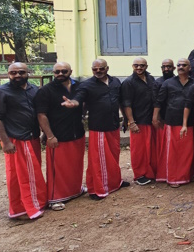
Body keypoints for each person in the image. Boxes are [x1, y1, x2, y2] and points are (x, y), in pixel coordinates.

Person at [62, 59, 129, 200]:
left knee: (114, 156)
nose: (98, 71)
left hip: (114, 125)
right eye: (95, 69)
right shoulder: (87, 85)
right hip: (99, 127)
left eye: (101, 68)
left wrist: (126, 119)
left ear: (107, 68)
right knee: (99, 160)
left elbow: (120, 101)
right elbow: (79, 98)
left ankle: (115, 182)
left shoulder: (115, 82)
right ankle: (98, 188)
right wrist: (73, 103)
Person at [0, 62, 47, 219]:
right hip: (17, 139)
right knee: (23, 175)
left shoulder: (34, 89)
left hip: (32, 137)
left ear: (28, 73)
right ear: (8, 74)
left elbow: (39, 113)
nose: (17, 75)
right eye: (13, 73)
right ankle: (28, 208)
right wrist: (6, 142)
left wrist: (44, 133)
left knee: (31, 172)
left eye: (21, 72)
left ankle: (30, 204)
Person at [35, 62, 86, 211]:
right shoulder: (46, 90)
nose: (60, 74)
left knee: (75, 165)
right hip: (58, 135)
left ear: (71, 71)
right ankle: (55, 198)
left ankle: (75, 190)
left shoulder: (78, 87)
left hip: (77, 132)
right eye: (57, 72)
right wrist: (49, 136)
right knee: (57, 169)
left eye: (64, 71)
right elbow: (41, 115)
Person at [153, 59, 194, 187]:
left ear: (190, 67)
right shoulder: (168, 83)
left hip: (189, 122)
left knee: (187, 151)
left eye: (184, 65)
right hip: (172, 121)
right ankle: (173, 177)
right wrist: (155, 117)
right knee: (173, 152)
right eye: (179, 65)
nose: (181, 67)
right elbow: (159, 101)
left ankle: (186, 175)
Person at [120, 57, 158, 186]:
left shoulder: (151, 79)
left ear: (146, 66)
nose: (139, 68)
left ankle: (151, 172)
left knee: (151, 148)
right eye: (136, 65)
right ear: (132, 66)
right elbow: (126, 104)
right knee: (139, 150)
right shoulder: (128, 82)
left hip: (150, 119)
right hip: (138, 120)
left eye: (142, 65)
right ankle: (139, 174)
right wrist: (131, 122)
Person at [152, 59, 175, 176]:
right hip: (162, 120)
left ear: (173, 68)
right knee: (163, 147)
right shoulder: (157, 83)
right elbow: (156, 101)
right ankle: (163, 172)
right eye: (164, 67)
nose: (166, 69)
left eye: (169, 67)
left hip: (175, 120)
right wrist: (157, 117)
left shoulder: (178, 81)